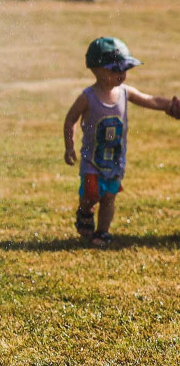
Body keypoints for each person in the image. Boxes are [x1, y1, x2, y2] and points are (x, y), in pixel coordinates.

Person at [63, 37, 180, 247]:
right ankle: (85, 210)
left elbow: (150, 100)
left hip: (115, 160)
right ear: (97, 70)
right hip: (92, 160)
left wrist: (170, 106)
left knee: (109, 196)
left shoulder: (125, 92)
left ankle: (102, 232)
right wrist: (69, 145)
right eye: (116, 70)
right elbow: (70, 119)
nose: (122, 75)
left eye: (125, 69)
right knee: (91, 194)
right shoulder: (88, 97)